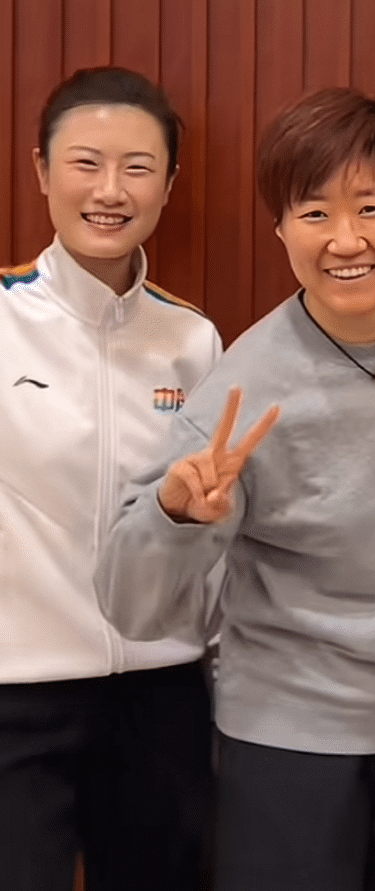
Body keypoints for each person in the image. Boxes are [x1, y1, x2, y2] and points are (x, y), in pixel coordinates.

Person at [95, 86, 375, 891]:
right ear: (281, 229)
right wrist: (176, 513)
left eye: (372, 208)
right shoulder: (243, 386)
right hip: (287, 736)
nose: (345, 239)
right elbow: (132, 604)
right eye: (315, 213)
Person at [0, 67, 221, 891]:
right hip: (17, 691)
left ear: (169, 182)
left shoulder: (193, 340)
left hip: (160, 693)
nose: (109, 190)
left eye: (137, 167)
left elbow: (215, 531)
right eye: (85, 163)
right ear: (41, 171)